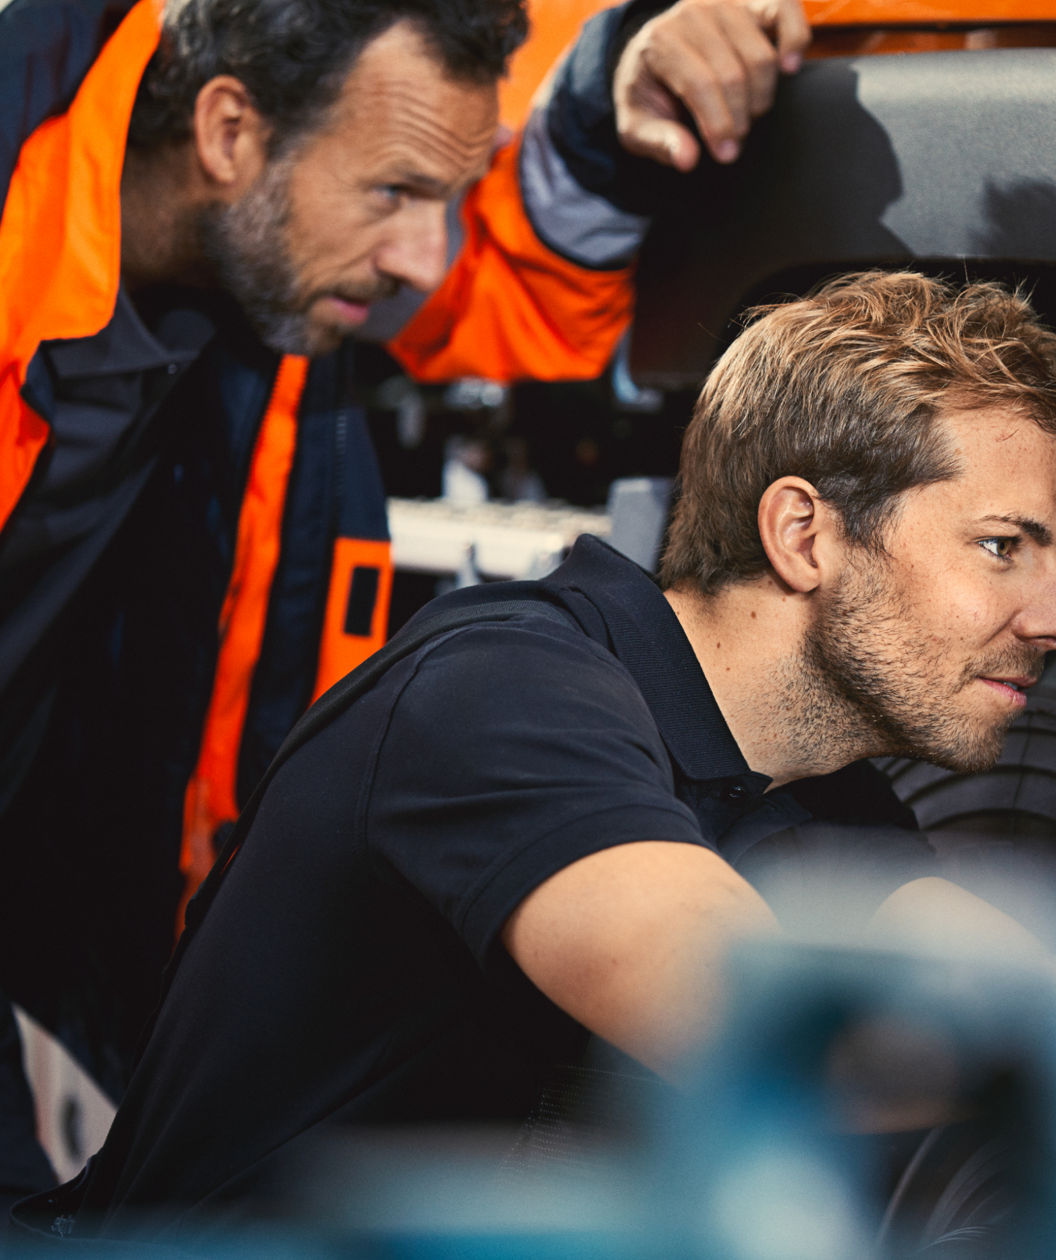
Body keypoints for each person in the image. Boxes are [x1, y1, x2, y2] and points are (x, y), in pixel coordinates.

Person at [9, 270, 1056, 1245]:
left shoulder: (804, 795)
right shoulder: (508, 695)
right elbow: (764, 1032)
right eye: (1005, 548)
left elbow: (1014, 1029)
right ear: (804, 533)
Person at [0, 0, 809, 1200]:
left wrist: (603, 106)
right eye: (394, 192)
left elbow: (501, 296)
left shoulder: (264, 243)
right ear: (228, 129)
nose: (423, 256)